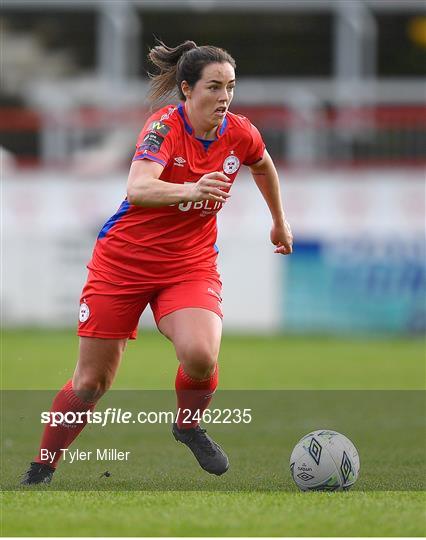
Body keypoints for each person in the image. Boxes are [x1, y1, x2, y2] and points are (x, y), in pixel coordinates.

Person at [22, 40, 293, 485]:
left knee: (201, 355)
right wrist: (191, 189)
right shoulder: (163, 127)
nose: (224, 97)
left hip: (189, 264)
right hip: (122, 264)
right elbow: (138, 189)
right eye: (213, 87)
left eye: (230, 87)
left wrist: (280, 221)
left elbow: (262, 165)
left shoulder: (240, 131)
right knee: (90, 383)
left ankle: (188, 424)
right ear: (186, 90)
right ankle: (42, 466)